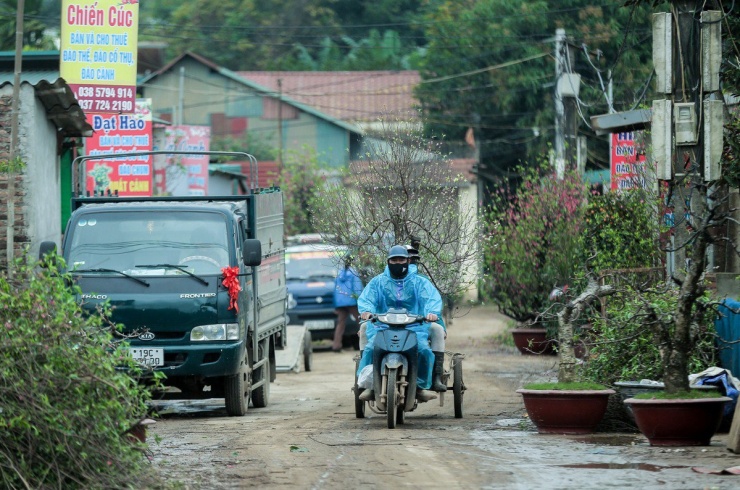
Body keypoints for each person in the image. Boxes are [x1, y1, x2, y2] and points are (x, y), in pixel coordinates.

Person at [356, 245, 447, 402]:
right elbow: (367, 299)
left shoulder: (420, 282)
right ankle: (369, 385)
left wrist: (431, 313)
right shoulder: (378, 282)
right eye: (394, 260)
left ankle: (421, 387)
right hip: (382, 326)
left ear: (408, 261)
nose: (398, 263)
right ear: (388, 261)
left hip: (415, 327)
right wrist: (366, 311)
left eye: (401, 260)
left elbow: (431, 299)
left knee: (424, 350)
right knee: (371, 348)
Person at [332, 254, 363, 352]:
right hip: (352, 301)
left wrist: (336, 304)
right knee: (361, 322)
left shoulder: (340, 273)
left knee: (340, 323)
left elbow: (335, 290)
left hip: (340, 302)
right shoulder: (354, 273)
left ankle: (336, 346)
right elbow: (357, 289)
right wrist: (361, 301)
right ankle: (364, 344)